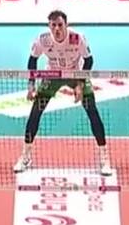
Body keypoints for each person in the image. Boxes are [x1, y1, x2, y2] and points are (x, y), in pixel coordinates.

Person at [13, 10, 113, 176]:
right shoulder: (43, 40)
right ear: (49, 26)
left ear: (66, 25)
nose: (57, 29)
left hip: (75, 74)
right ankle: (26, 156)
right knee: (35, 112)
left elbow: (89, 61)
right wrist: (31, 84)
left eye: (60, 25)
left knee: (92, 111)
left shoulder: (77, 38)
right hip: (52, 76)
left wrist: (80, 84)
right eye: (53, 25)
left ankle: (104, 158)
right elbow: (32, 60)